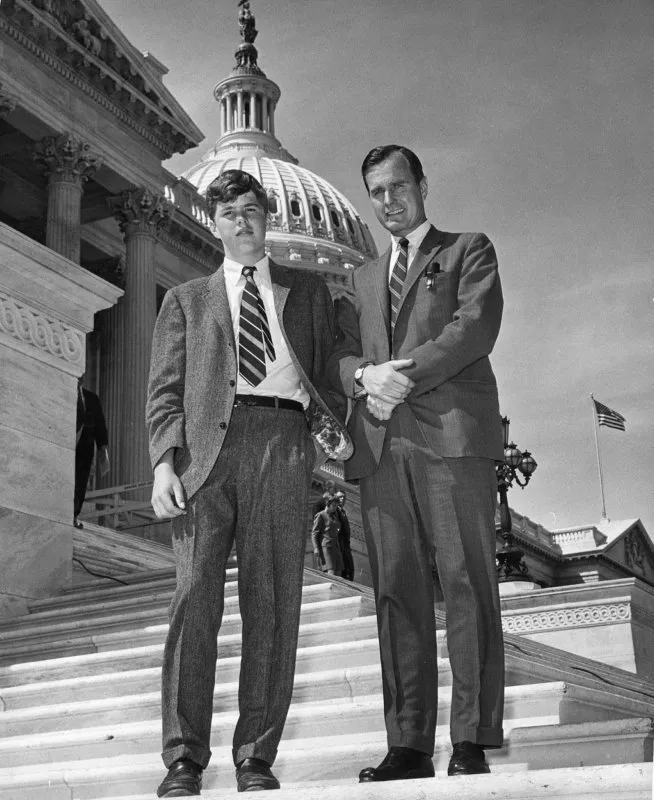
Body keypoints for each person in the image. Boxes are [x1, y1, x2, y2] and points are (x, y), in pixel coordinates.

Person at [146, 169, 350, 797]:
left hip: (282, 447)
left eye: (252, 210)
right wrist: (162, 464)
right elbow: (164, 392)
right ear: (216, 221)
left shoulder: (308, 292)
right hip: (205, 456)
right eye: (230, 211)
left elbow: (334, 368)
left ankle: (256, 756)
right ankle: (183, 757)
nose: (242, 220)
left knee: (273, 603)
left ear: (267, 218)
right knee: (193, 601)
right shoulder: (185, 299)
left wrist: (340, 425)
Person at [327, 145, 505, 782]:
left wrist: (401, 375)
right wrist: (361, 379)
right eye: (375, 191)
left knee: (465, 584)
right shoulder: (360, 278)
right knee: (395, 594)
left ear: (423, 185)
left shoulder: (467, 249)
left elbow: (474, 327)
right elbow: (341, 354)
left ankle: (471, 738)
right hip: (378, 448)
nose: (387, 200)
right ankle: (407, 743)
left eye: (398, 186)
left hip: (451, 437)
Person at [74, 379, 109, 527]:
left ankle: (73, 516)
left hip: (84, 451)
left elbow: (100, 425)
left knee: (80, 484)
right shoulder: (61, 393)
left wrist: (103, 450)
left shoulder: (92, 398)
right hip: (64, 448)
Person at [311, 494, 344, 576]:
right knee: (331, 572)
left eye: (336, 506)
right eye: (333, 505)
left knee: (339, 573)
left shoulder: (334, 516)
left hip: (336, 548)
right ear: (328, 504)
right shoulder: (321, 515)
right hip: (327, 548)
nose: (335, 508)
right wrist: (315, 548)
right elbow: (314, 533)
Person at [334, 490, 354, 581]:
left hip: (346, 545)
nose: (342, 499)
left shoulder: (343, 512)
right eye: (340, 497)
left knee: (350, 568)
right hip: (339, 544)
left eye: (344, 497)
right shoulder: (334, 510)